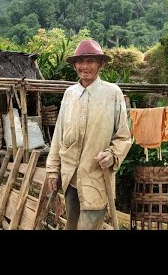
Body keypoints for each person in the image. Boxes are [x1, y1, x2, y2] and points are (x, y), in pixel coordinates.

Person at [46, 39, 132, 230]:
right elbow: (59, 134)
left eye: (91, 61)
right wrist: (53, 170)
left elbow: (124, 136)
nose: (85, 66)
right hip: (70, 178)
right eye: (80, 61)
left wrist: (112, 155)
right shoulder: (69, 94)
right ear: (74, 64)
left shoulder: (112, 93)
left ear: (100, 64)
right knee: (71, 226)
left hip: (96, 178)